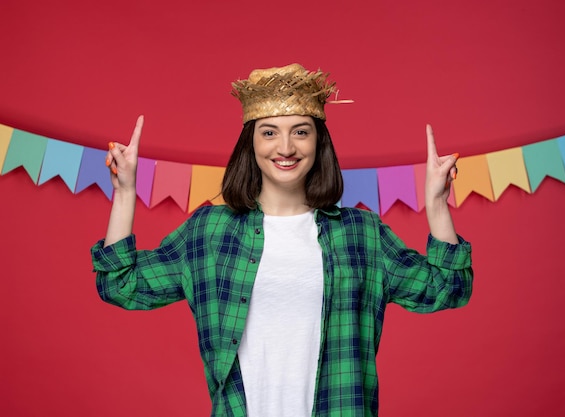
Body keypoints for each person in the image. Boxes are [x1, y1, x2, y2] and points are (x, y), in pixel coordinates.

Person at [91, 63, 473, 417]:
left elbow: (447, 287)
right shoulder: (210, 232)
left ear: (317, 143)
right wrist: (125, 193)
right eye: (269, 132)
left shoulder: (362, 234)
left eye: (301, 132)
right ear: (251, 144)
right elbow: (120, 285)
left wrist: (437, 203)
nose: (286, 148)